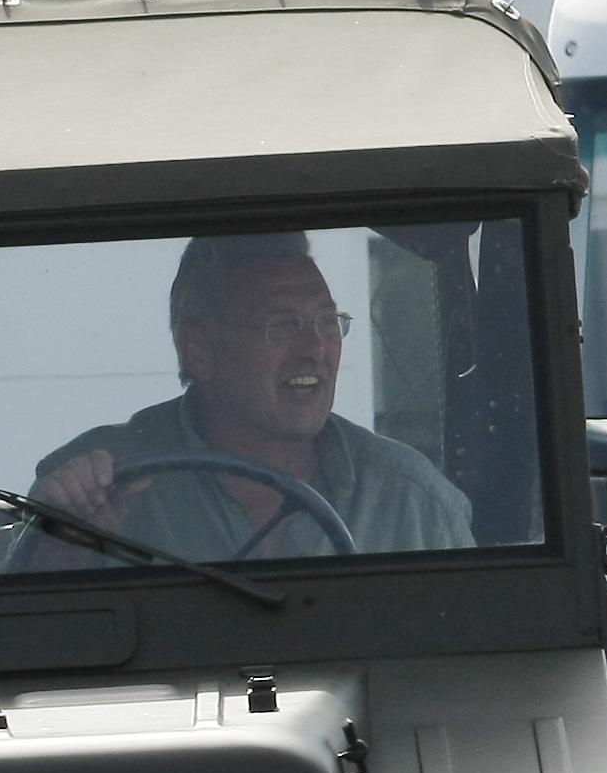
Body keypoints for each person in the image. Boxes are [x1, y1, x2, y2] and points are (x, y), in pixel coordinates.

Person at [26, 232, 472, 563]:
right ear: (198, 350)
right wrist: (68, 544)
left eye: (327, 321)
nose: (314, 348)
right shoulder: (98, 485)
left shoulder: (414, 502)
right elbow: (25, 652)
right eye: (281, 325)